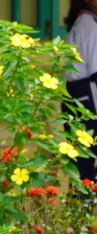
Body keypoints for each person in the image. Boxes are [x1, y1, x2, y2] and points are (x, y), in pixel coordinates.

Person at [65, 0, 97, 181]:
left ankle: (79, 194)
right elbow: (95, 70)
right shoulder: (89, 23)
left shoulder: (82, 21)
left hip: (76, 93)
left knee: (79, 155)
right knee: (85, 154)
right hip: (86, 94)